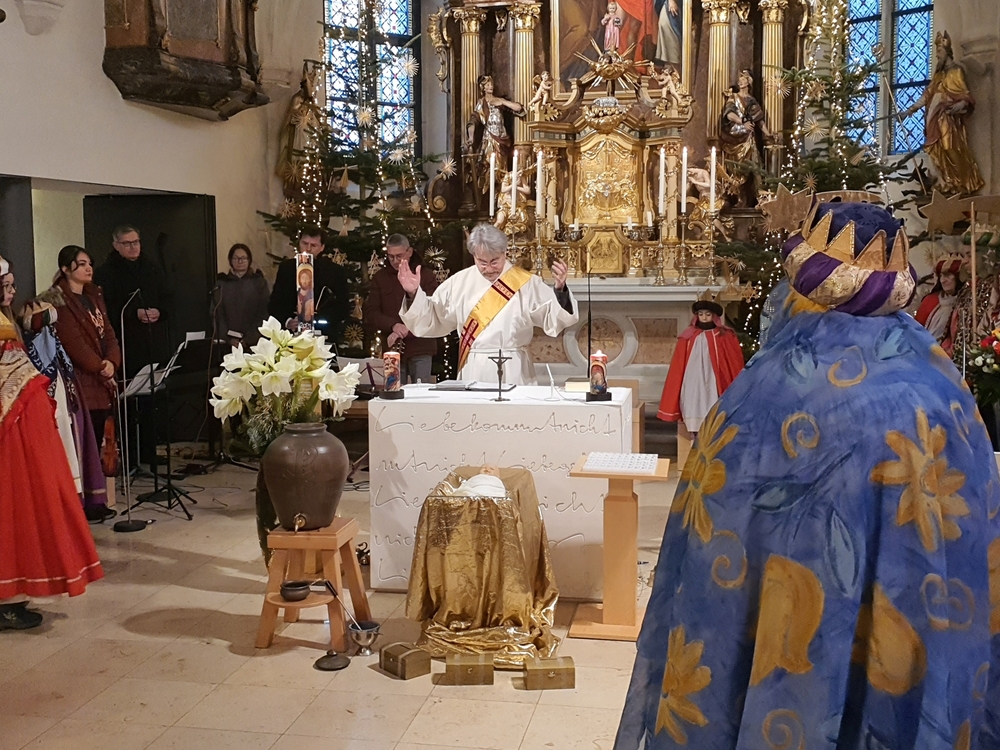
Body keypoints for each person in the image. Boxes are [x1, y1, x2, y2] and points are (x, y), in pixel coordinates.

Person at [615, 201, 1000, 748]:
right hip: (912, 623)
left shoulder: (764, 387)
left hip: (785, 633)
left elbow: (714, 531)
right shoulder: (942, 388)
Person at [0, 255, 104, 631]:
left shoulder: (6, 321)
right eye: (5, 287)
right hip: (10, 430)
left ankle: (14, 594)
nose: (12, 293)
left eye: (12, 286)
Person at [398, 223, 578, 385]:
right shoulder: (459, 283)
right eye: (482, 262)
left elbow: (554, 319)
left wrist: (560, 290)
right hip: (474, 367)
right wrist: (413, 294)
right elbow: (432, 317)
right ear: (474, 256)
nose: (489, 269)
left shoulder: (526, 283)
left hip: (515, 368)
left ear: (504, 252)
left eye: (494, 262)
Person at [22, 245, 119, 522]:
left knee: (99, 439)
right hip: (80, 380)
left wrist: (113, 361)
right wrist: (101, 367)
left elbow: (109, 332)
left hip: (101, 377)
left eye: (89, 263)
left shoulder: (93, 295)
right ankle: (85, 503)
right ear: (66, 269)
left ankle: (97, 499)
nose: (89, 269)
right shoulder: (58, 300)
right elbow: (72, 341)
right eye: (81, 264)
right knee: (83, 443)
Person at [903, 31, 985, 195]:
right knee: (937, 149)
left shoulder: (956, 71)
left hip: (948, 117)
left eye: (939, 51)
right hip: (935, 118)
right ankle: (948, 182)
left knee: (950, 148)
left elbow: (965, 94)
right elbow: (927, 95)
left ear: (947, 52)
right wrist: (911, 109)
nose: (937, 56)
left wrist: (961, 103)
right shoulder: (938, 75)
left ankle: (961, 182)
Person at [656, 295, 744, 434]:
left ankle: (713, 430)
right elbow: (679, 364)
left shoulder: (724, 335)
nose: (704, 318)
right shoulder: (688, 336)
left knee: (712, 398)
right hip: (693, 377)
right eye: (701, 314)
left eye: (708, 314)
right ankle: (694, 432)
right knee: (694, 398)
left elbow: (733, 361)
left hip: (714, 377)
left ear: (714, 316)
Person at [94, 225, 172, 377]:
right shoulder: (105, 273)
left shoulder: (152, 268)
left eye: (136, 242)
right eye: (127, 243)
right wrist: (134, 313)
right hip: (126, 343)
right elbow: (105, 308)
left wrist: (160, 312)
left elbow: (167, 297)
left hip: (154, 340)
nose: (133, 247)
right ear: (116, 245)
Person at [363, 234, 439, 384]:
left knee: (421, 392)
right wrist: (394, 325)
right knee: (393, 390)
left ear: (409, 252)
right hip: (392, 348)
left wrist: (407, 328)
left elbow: (432, 308)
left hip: (421, 345)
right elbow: (371, 312)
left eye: (399, 256)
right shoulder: (381, 277)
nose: (395, 261)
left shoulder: (425, 275)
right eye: (390, 257)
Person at [268, 227, 350, 342]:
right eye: (305, 243)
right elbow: (275, 302)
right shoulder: (286, 268)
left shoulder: (335, 272)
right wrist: (288, 321)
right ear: (299, 243)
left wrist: (314, 321)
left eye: (313, 245)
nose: (308, 249)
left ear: (322, 247)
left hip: (323, 334)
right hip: (290, 334)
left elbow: (342, 306)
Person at [213, 243, 270, 349]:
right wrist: (228, 339)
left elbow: (264, 313)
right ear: (230, 260)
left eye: (243, 258)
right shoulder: (222, 284)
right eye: (236, 258)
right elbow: (217, 314)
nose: (240, 261)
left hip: (254, 343)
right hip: (227, 343)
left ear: (249, 260)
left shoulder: (259, 283)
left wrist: (248, 339)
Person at [914, 257, 964, 355]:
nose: (942, 280)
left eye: (947, 275)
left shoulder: (966, 301)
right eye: (940, 276)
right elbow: (916, 331)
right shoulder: (930, 300)